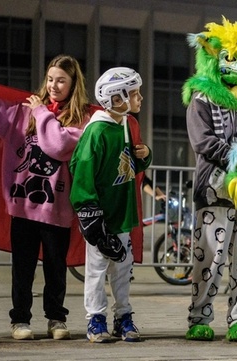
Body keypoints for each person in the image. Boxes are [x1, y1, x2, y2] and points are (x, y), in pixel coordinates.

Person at [182, 17, 237, 342]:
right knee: (209, 257)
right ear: (213, 57)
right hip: (212, 191)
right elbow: (202, 142)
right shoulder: (201, 98)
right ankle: (198, 318)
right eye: (231, 57)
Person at [0, 55, 90, 340]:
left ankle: (56, 318)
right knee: (22, 268)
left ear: (73, 85)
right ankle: (20, 320)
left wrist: (42, 113)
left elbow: (58, 145)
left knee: (55, 269)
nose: (53, 85)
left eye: (61, 80)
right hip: (23, 205)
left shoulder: (80, 119)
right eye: (50, 79)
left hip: (56, 207)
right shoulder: (25, 111)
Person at [69, 67, 152, 343]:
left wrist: (144, 157)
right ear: (117, 99)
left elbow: (124, 167)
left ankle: (123, 317)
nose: (140, 98)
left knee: (123, 270)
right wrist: (92, 221)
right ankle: (95, 318)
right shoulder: (97, 131)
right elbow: (81, 171)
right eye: (135, 93)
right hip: (101, 218)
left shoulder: (124, 125)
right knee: (96, 270)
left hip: (122, 215)